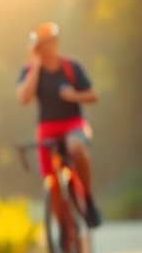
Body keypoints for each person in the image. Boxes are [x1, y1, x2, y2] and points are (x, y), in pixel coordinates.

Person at [17, 22, 101, 227]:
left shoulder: (71, 67)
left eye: (48, 43)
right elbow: (24, 98)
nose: (45, 48)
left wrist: (74, 96)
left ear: (55, 43)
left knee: (76, 147)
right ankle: (64, 228)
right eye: (40, 45)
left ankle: (88, 198)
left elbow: (93, 95)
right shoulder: (30, 70)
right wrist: (35, 67)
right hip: (47, 128)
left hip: (74, 124)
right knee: (52, 182)